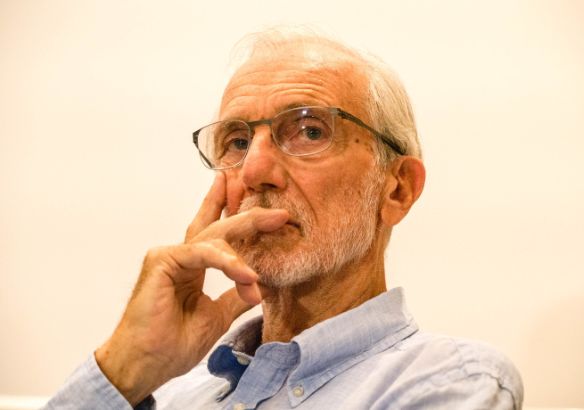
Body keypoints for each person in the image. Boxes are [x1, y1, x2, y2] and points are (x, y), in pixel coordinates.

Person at [45, 29, 523, 409]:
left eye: (309, 131)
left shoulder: (448, 382)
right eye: (237, 142)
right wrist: (128, 368)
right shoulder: (170, 395)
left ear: (397, 188)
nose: (254, 171)